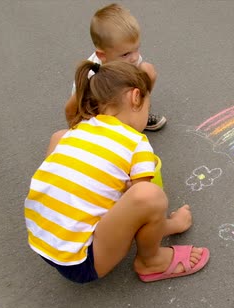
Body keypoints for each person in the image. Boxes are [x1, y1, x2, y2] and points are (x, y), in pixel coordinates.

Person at [26, 60, 209, 283]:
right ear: (135, 97)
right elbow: (143, 202)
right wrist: (172, 224)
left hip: (41, 240)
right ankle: (151, 261)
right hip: (82, 262)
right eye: (147, 106)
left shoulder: (78, 129)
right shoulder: (137, 142)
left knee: (59, 137)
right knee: (149, 195)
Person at [64, 3, 166, 131]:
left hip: (118, 96)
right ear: (102, 55)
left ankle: (139, 114)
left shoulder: (131, 60)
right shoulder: (92, 76)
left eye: (136, 49)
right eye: (126, 54)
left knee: (148, 70)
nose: (135, 58)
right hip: (97, 112)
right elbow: (70, 109)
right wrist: (75, 132)